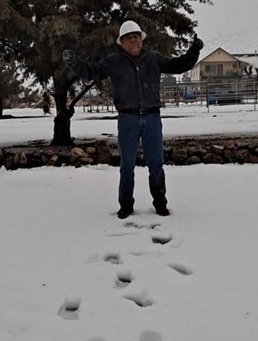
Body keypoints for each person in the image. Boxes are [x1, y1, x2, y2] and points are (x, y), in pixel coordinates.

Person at [64, 21, 204, 218]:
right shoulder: (113, 61)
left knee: (156, 163)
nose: (133, 41)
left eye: (136, 37)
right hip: (127, 119)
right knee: (126, 166)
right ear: (121, 43)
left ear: (141, 39)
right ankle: (126, 205)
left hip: (152, 118)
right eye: (128, 38)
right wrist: (73, 62)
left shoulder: (154, 58)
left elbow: (179, 65)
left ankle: (160, 203)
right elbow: (91, 71)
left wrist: (194, 51)